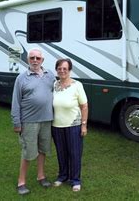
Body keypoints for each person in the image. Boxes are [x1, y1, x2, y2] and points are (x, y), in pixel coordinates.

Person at [11, 48, 55, 195]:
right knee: (28, 152)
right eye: (32, 58)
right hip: (29, 121)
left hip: (47, 120)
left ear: (42, 60)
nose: (35, 60)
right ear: (28, 60)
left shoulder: (50, 76)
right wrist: (17, 123)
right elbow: (15, 102)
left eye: (37, 58)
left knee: (43, 150)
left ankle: (41, 176)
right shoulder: (21, 78)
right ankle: (21, 182)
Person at [51, 58, 88, 192]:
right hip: (56, 126)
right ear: (57, 70)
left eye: (65, 68)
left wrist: (84, 125)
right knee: (61, 153)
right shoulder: (54, 85)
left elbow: (84, 106)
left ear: (70, 70)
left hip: (74, 125)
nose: (62, 71)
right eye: (59, 68)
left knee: (75, 153)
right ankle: (62, 176)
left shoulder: (77, 85)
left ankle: (75, 180)